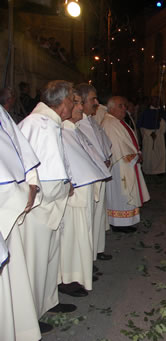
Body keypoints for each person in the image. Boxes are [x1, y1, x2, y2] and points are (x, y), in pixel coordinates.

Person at [18, 80, 76, 327]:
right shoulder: (40, 126)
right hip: (39, 210)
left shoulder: (48, 123)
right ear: (63, 104)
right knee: (35, 264)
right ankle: (30, 316)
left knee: (49, 260)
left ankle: (48, 302)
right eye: (73, 99)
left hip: (48, 207)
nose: (75, 104)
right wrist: (66, 186)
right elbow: (48, 180)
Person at [60, 91, 110, 295]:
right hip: (74, 196)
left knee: (82, 235)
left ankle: (80, 272)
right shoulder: (62, 130)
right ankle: (68, 279)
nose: (81, 107)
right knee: (71, 238)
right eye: (78, 103)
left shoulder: (75, 130)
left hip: (85, 190)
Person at [0, 105, 42, 340]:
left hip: (12, 201)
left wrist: (31, 185)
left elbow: (20, 152)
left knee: (11, 279)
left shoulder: (2, 113)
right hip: (5, 201)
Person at [76, 83, 113, 262]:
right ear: (81, 101)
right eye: (93, 99)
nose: (97, 102)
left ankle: (97, 250)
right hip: (90, 177)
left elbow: (101, 142)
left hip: (101, 171)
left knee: (98, 217)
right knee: (89, 220)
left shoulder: (92, 120)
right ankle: (88, 257)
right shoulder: (78, 123)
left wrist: (106, 157)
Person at [102, 96, 150, 232]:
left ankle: (125, 222)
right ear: (111, 108)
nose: (124, 108)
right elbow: (116, 147)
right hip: (119, 167)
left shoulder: (116, 121)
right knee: (121, 195)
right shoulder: (110, 123)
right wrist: (133, 155)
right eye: (121, 106)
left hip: (125, 165)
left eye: (124, 105)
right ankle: (118, 223)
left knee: (124, 194)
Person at [138, 97, 166, 175]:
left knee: (159, 153)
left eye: (158, 100)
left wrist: (160, 122)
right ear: (151, 101)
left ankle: (159, 170)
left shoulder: (161, 112)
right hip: (148, 136)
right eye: (154, 100)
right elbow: (141, 126)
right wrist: (149, 133)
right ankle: (148, 169)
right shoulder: (146, 112)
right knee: (148, 153)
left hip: (159, 135)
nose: (156, 102)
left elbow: (165, 124)